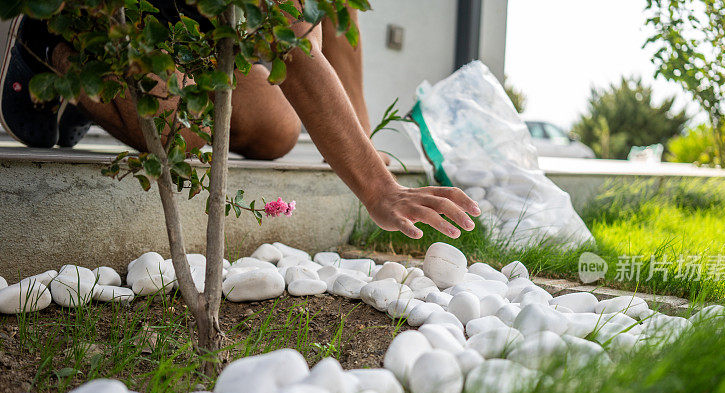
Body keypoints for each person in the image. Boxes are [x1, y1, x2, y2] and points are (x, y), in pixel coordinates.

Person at [0, 4, 480, 240]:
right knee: (176, 131)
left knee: (277, 131)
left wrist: (366, 151)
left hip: (193, 26)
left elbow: (316, 26)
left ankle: (97, 89)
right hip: (124, 14)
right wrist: (377, 190)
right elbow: (292, 48)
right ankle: (51, 44)